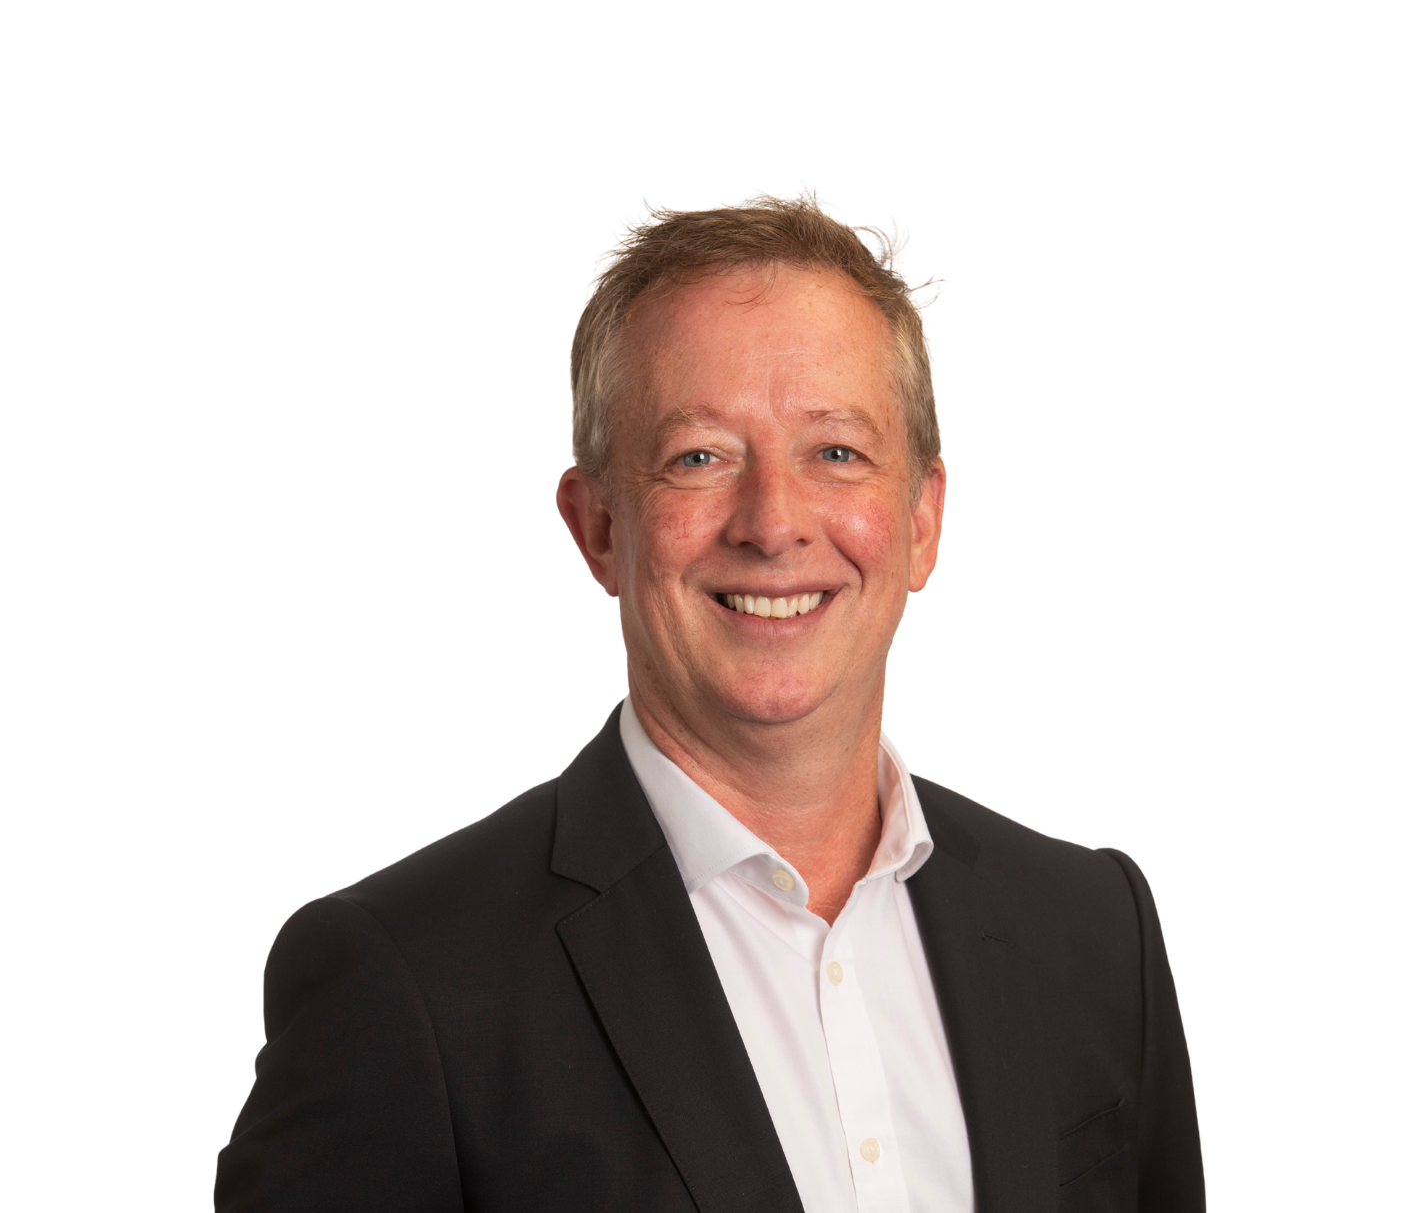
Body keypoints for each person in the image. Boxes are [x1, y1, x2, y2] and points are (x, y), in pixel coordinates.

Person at [215, 187, 1204, 1211]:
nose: (772, 523)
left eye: (835, 451)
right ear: (597, 527)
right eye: (700, 456)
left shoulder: (1093, 929)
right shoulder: (402, 978)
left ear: (921, 518)